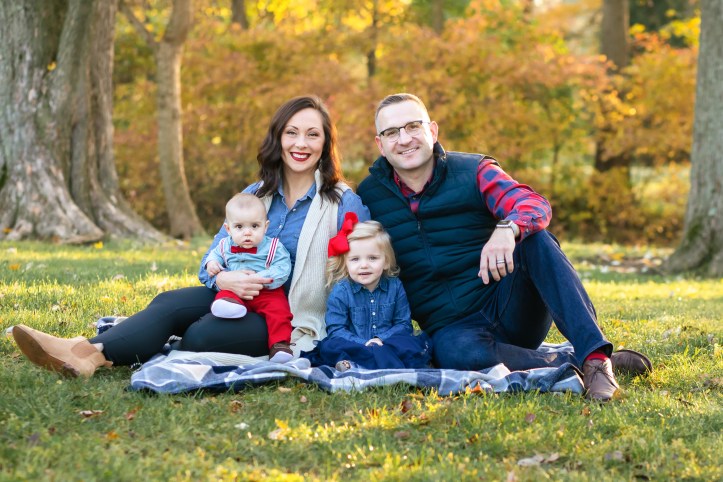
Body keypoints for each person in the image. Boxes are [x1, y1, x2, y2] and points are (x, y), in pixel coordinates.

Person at [12, 95, 370, 377]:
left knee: (202, 333)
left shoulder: (342, 203)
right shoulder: (254, 195)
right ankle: (84, 353)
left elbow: (365, 268)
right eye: (291, 132)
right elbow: (210, 259)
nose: (300, 143)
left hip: (285, 316)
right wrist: (222, 277)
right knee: (169, 303)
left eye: (312, 134)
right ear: (278, 137)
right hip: (232, 295)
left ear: (326, 142)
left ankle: (96, 352)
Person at [356, 93, 652, 401]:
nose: (404, 139)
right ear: (380, 144)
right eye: (392, 132)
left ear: (432, 130)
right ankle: (576, 361)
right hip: (453, 330)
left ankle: (597, 361)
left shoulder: (473, 171)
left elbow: (533, 204)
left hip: (509, 303)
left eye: (413, 126)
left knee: (536, 239)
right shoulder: (370, 197)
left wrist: (508, 228)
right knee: (454, 355)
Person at [303, 214, 431, 371]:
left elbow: (403, 324)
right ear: (345, 263)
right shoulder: (341, 290)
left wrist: (379, 340)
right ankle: (365, 363)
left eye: (372, 258)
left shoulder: (395, 286)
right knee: (331, 345)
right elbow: (336, 329)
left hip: (386, 343)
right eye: (355, 259)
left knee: (409, 342)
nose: (364, 265)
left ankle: (359, 365)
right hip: (355, 345)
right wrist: (364, 343)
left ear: (386, 261)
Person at [205, 193, 294, 363]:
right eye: (239, 227)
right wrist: (212, 263)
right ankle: (229, 307)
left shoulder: (274, 247)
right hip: (235, 289)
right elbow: (214, 255)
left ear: (265, 227)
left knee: (280, 312)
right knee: (225, 294)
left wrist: (259, 278)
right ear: (228, 229)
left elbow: (282, 268)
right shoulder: (224, 244)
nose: (247, 232)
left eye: (254, 226)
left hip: (267, 291)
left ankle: (280, 345)